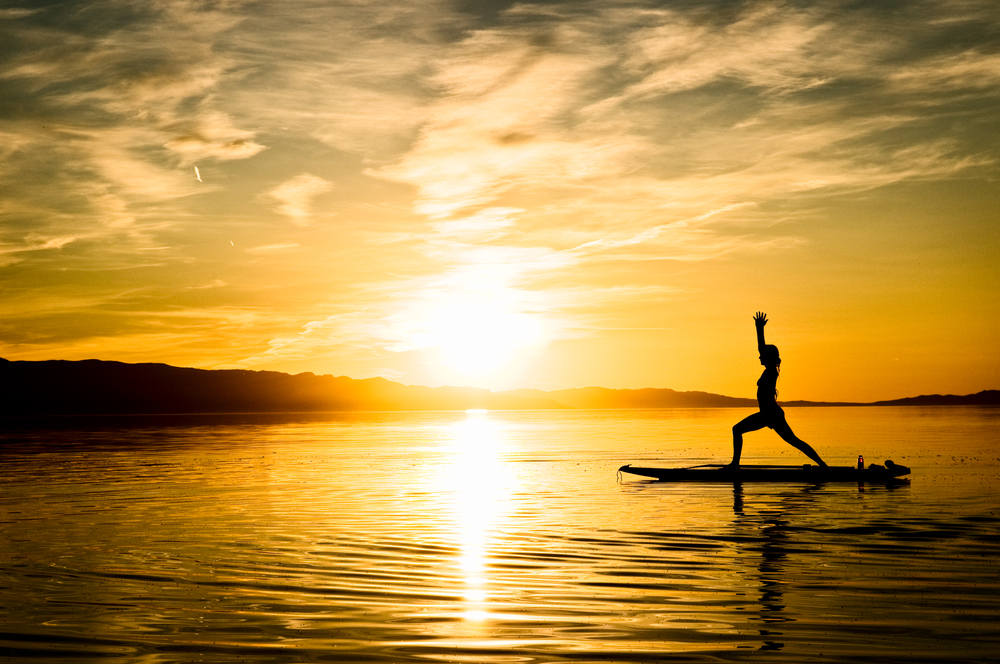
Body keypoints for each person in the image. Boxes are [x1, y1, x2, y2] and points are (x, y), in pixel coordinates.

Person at [729, 312, 827, 468]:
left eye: (762, 356)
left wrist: (759, 329)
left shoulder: (771, 371)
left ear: (768, 358)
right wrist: (758, 328)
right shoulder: (769, 369)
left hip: (770, 414)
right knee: (794, 441)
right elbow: (762, 348)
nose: (759, 357)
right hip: (768, 414)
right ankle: (822, 465)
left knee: (738, 430)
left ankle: (735, 465)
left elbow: (762, 349)